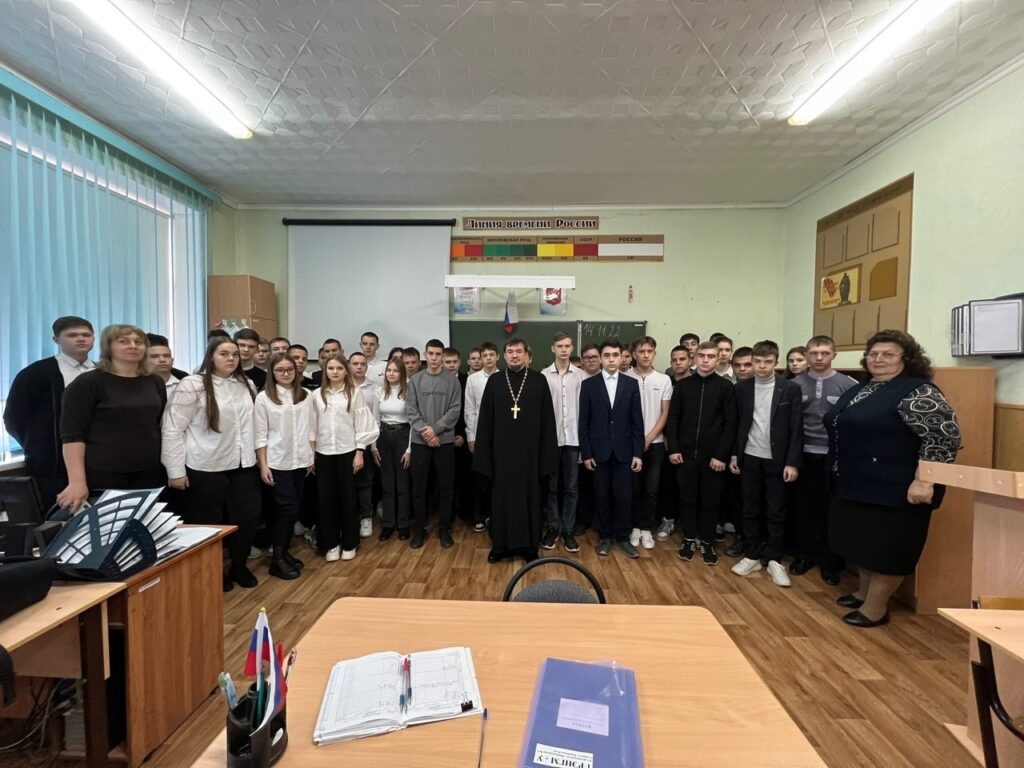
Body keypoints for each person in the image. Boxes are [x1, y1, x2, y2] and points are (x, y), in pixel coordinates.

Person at [825, 330, 960, 627]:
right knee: (863, 543)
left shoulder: (918, 391)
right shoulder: (865, 387)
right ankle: (863, 593)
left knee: (888, 549)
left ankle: (875, 608)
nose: (878, 359)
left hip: (896, 488)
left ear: (907, 359)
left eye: (888, 354)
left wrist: (925, 480)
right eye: (873, 354)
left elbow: (942, 438)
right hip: (858, 482)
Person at [162, 337, 261, 591]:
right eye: (224, 354)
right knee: (208, 520)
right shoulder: (193, 385)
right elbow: (172, 429)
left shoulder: (246, 384)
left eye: (235, 354)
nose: (231, 359)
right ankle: (213, 570)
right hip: (206, 464)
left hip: (243, 463)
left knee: (247, 517)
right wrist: (175, 470)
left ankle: (239, 565)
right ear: (211, 356)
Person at [57, 325, 167, 511]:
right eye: (124, 341)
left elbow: (157, 423)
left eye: (138, 342)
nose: (133, 346)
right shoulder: (88, 383)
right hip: (104, 474)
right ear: (108, 347)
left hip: (150, 471)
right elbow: (72, 436)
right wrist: (76, 481)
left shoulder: (154, 381)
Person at [473, 338, 558, 562]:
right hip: (501, 456)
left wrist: (546, 457)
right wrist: (484, 456)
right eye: (510, 351)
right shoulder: (495, 381)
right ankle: (499, 547)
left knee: (530, 499)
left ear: (527, 355)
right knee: (501, 499)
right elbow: (485, 421)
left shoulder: (539, 381)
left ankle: (529, 547)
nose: (514, 355)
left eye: (519, 351)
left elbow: (548, 421)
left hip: (530, 456)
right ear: (504, 356)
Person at [728, 340, 803, 588]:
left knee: (776, 510)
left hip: (777, 459)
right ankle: (752, 554)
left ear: (776, 362)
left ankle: (774, 558)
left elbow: (796, 428)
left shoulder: (789, 389)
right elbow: (738, 424)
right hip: (749, 456)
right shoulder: (742, 388)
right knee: (750, 508)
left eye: (767, 362)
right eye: (757, 361)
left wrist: (792, 462)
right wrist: (735, 455)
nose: (761, 366)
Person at [4, 316, 95, 510]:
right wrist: (38, 445)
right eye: (72, 335)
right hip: (52, 462)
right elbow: (14, 418)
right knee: (60, 515)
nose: (81, 339)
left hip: (98, 458)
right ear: (56, 340)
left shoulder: (102, 371)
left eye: (86, 335)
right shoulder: (35, 373)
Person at [790, 335, 857, 584]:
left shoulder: (848, 385)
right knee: (803, 508)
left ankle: (830, 562)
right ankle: (803, 556)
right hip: (802, 455)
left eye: (825, 353)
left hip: (832, 457)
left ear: (834, 355)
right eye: (814, 353)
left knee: (830, 510)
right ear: (807, 355)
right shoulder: (794, 385)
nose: (819, 358)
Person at [665, 342, 736, 566]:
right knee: (687, 499)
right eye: (702, 356)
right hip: (685, 456)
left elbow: (730, 424)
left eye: (711, 356)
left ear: (718, 359)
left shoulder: (726, 387)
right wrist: (674, 448)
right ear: (695, 358)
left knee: (710, 501)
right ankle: (688, 539)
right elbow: (673, 419)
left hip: (713, 458)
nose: (705, 360)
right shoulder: (683, 386)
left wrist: (721, 455)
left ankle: (706, 541)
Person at [579, 339, 644, 558]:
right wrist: (586, 452)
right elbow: (584, 422)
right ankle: (605, 536)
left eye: (615, 355)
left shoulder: (631, 384)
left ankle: (623, 537)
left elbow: (637, 421)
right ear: (600, 358)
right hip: (599, 452)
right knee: (602, 496)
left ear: (622, 357)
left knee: (624, 496)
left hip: (625, 451)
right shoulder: (589, 385)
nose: (611, 359)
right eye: (606, 355)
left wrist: (638, 453)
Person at [312, 355, 379, 562]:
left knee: (348, 498)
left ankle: (350, 542)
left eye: (339, 368)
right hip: (323, 453)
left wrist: (360, 452)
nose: (335, 372)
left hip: (348, 452)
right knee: (326, 499)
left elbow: (363, 424)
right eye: (331, 368)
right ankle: (331, 544)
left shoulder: (354, 393)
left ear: (345, 371)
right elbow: (311, 426)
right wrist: (311, 455)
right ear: (325, 370)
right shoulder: (316, 395)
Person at [254, 354, 314, 580]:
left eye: (290, 369)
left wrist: (311, 455)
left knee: (293, 509)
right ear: (272, 372)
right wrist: (263, 465)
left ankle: (283, 552)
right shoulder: (264, 398)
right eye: (280, 370)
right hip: (277, 461)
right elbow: (260, 434)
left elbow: (311, 428)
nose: (286, 373)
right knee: (287, 509)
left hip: (301, 459)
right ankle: (277, 560)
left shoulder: (305, 395)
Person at [406, 339, 462, 549]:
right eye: (431, 354)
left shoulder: (452, 381)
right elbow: (411, 411)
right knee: (419, 488)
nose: (434, 358)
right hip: (420, 442)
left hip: (444, 442)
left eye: (438, 354)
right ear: (425, 355)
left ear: (442, 356)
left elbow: (454, 410)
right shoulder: (415, 380)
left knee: (446, 487)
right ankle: (420, 528)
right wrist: (427, 433)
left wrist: (435, 429)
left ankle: (444, 528)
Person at [625, 336, 672, 551]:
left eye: (649, 351)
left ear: (654, 354)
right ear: (634, 354)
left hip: (656, 443)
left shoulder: (663, 380)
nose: (645, 355)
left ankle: (646, 528)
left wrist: (649, 437)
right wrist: (637, 440)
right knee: (633, 488)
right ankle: (634, 526)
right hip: (630, 444)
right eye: (641, 351)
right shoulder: (625, 377)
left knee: (651, 488)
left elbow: (665, 412)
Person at [540, 332, 586, 552]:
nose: (564, 349)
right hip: (552, 440)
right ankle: (552, 528)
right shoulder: (543, 376)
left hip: (574, 439)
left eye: (567, 346)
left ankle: (568, 530)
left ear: (572, 348)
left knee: (571, 487)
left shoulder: (581, 376)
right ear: (553, 348)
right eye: (560, 346)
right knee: (551, 487)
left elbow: (585, 411)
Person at [375, 360, 413, 540]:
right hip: (384, 436)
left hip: (403, 435)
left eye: (395, 371)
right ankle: (388, 523)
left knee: (402, 483)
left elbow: (413, 421)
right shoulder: (380, 391)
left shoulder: (409, 391)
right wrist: (373, 446)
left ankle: (403, 524)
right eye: (388, 370)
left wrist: (410, 449)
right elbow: (375, 419)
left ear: (402, 373)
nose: (391, 373)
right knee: (387, 482)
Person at [465, 341, 499, 533]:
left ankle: (496, 515)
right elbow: (469, 408)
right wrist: (471, 436)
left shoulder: (504, 377)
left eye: (491, 355)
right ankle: (480, 516)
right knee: (481, 478)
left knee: (498, 478)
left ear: (498, 357)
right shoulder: (473, 379)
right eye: (484, 355)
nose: (488, 358)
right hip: (479, 435)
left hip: (500, 436)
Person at [349, 351, 381, 539]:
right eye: (355, 364)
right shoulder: (342, 387)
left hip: (366, 442)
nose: (359, 367)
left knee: (366, 482)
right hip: (345, 442)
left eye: (362, 364)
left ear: (367, 367)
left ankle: (366, 517)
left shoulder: (375, 388)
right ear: (349, 366)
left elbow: (376, 419)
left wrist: (374, 446)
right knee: (347, 482)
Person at [443, 347, 473, 526]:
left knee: (464, 477)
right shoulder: (436, 382)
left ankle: (465, 511)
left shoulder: (467, 381)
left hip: (462, 436)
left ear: (460, 362)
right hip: (441, 438)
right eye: (448, 362)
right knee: (445, 479)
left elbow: (468, 410)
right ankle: (447, 514)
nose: (451, 365)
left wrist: (462, 434)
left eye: (454, 362)